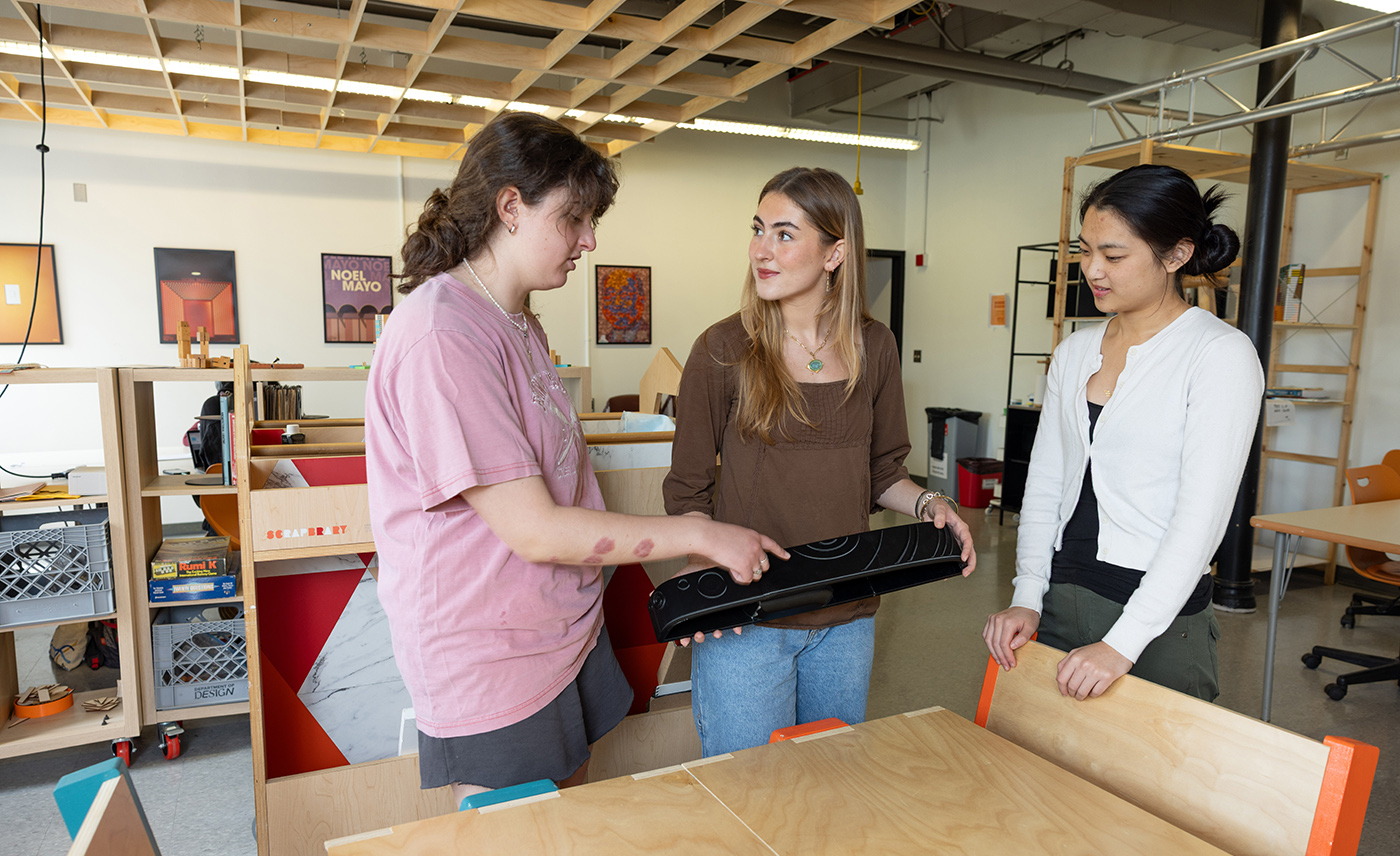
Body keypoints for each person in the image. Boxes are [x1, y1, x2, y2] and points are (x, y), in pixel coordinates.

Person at [365, 113, 787, 805]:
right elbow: (533, 528)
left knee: (570, 815)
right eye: (574, 219)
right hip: (491, 654)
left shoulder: (518, 316)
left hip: (557, 630)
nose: (589, 241)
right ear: (510, 207)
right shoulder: (443, 334)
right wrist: (700, 532)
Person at [663, 166, 977, 757]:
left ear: (836, 253)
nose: (762, 250)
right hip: (747, 616)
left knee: (830, 781)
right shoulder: (722, 350)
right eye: (758, 230)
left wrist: (934, 504)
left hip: (845, 616)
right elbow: (687, 490)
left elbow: (883, 471)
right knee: (750, 789)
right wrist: (700, 574)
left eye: (784, 234)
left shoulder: (873, 346)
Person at [982, 164, 1265, 702]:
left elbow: (1201, 518)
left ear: (1177, 254)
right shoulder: (1073, 353)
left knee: (1145, 787)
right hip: (1061, 598)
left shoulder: (1219, 355)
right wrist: (1027, 595)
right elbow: (1046, 482)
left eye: (1113, 256)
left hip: (1156, 621)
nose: (1092, 270)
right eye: (1085, 250)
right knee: (1043, 778)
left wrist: (1123, 643)